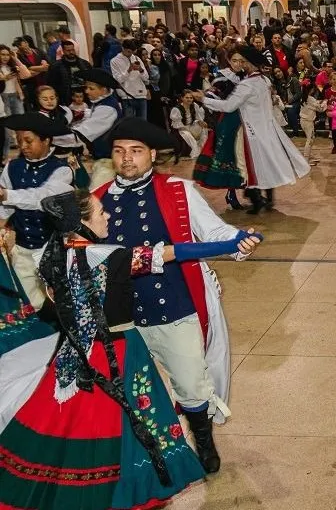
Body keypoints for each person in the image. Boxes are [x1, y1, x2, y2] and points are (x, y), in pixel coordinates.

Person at [0, 190, 220, 510]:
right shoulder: (112, 255)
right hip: (117, 351)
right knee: (127, 422)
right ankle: (121, 490)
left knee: (77, 423)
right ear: (82, 223)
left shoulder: (53, 255)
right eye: (100, 213)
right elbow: (170, 253)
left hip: (76, 350)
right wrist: (228, 245)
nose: (108, 217)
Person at [91, 118, 263, 473]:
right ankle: (139, 452)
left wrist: (237, 241)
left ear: (152, 154)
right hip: (120, 314)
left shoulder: (177, 189)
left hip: (172, 303)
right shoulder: (99, 198)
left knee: (191, 381)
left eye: (136, 151)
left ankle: (202, 440)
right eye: (120, 151)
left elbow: (213, 230)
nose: (127, 159)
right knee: (128, 388)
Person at [194, 46, 310, 214]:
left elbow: (228, 106)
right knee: (265, 163)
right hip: (265, 128)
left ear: (248, 63)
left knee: (248, 167)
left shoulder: (247, 85)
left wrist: (204, 99)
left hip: (251, 132)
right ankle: (266, 200)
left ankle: (257, 202)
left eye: (242, 61)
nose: (240, 64)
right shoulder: (264, 80)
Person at [0, 113, 75, 311]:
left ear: (46, 140)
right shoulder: (12, 167)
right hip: (23, 249)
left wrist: (7, 195)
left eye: (28, 140)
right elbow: (4, 208)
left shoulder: (62, 170)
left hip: (52, 252)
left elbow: (42, 198)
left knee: (56, 305)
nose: (22, 146)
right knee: (25, 305)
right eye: (18, 141)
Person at [192, 62, 246, 210]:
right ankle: (232, 193)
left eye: (240, 60)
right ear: (229, 60)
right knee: (230, 155)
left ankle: (252, 192)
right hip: (230, 119)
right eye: (234, 60)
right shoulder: (223, 77)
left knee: (248, 156)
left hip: (248, 119)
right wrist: (205, 96)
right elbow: (213, 92)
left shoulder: (248, 76)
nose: (237, 63)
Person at [170, 90, 208, 160]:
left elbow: (196, 118)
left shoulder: (194, 106)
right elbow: (177, 125)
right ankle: (195, 153)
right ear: (182, 98)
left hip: (191, 125)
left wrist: (200, 121)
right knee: (187, 134)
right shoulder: (176, 109)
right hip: (180, 128)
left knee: (204, 129)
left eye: (191, 98)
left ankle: (202, 149)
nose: (189, 99)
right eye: (187, 98)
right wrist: (188, 129)